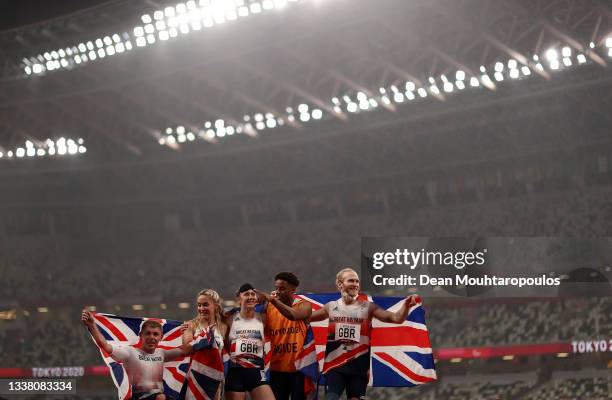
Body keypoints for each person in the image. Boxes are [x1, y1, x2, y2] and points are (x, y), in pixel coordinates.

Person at [310, 268, 418, 400]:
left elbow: (396, 318)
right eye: (351, 280)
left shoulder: (368, 307)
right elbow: (304, 317)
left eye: (357, 281)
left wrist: (406, 306)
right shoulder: (331, 306)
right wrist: (282, 304)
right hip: (335, 365)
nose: (355, 284)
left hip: (359, 368)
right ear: (339, 284)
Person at [81, 309, 190, 400]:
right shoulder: (130, 353)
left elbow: (185, 350)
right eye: (148, 333)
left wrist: (188, 331)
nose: (152, 337)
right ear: (140, 335)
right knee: (161, 397)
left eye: (155, 334)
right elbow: (105, 345)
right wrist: (92, 325)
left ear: (160, 337)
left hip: (158, 396)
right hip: (138, 397)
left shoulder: (161, 353)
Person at [256, 272, 312, 400]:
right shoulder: (269, 307)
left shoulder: (304, 305)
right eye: (277, 288)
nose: (278, 291)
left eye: (282, 288)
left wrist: (273, 300)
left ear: (293, 290)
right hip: (277, 368)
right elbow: (258, 327)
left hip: (299, 369)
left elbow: (293, 315)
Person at [224, 283, 275, 400]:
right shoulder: (229, 318)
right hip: (235, 373)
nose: (251, 296)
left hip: (256, 373)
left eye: (253, 294)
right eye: (246, 294)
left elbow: (273, 303)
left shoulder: (263, 317)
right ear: (238, 299)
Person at [180, 289, 227, 400]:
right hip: (195, 377)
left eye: (205, 305)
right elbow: (186, 349)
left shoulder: (223, 327)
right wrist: (203, 336)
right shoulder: (190, 325)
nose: (201, 309)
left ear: (215, 305)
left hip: (214, 377)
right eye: (199, 305)